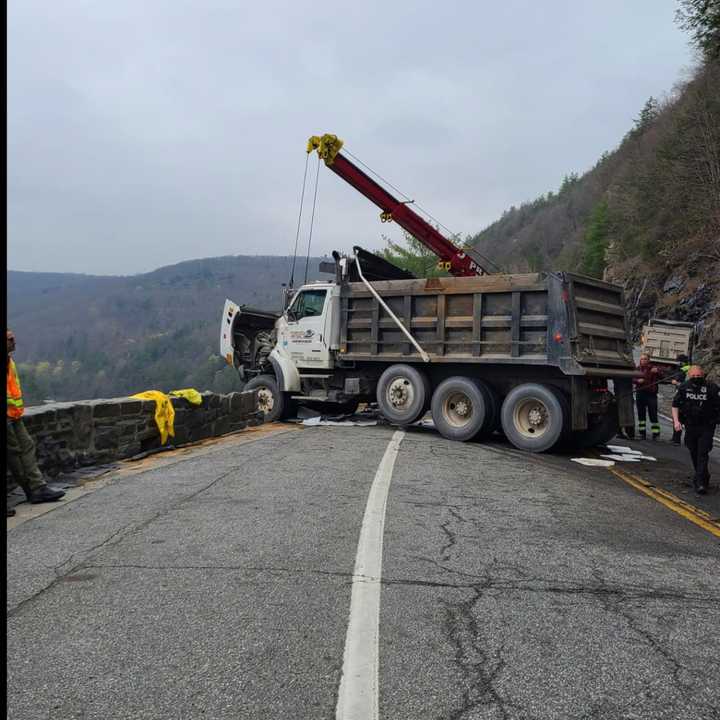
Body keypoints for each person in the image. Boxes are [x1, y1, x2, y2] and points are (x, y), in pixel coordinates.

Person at [7, 329, 65, 512]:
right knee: (14, 453)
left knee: (27, 446)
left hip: (14, 414)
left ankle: (38, 488)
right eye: (9, 339)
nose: (13, 341)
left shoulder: (10, 362)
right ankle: (32, 489)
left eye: (13, 337)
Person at [672, 365, 720, 495]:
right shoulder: (684, 387)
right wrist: (676, 421)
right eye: (693, 376)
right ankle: (704, 474)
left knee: (703, 452)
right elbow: (675, 405)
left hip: (707, 425)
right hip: (690, 425)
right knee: (693, 450)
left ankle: (700, 482)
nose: (696, 378)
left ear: (703, 375)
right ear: (689, 376)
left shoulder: (712, 388)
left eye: (698, 376)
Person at [633, 353, 663, 440]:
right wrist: (637, 381)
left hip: (651, 395)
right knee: (641, 414)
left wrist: (658, 372)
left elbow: (662, 377)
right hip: (640, 393)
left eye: (645, 359)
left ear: (649, 360)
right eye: (642, 359)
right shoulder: (637, 369)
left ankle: (656, 434)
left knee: (653, 414)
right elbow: (632, 378)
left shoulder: (654, 369)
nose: (643, 361)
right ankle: (642, 433)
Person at [670, 354, 691, 445]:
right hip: (687, 397)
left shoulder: (683, 370)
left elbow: (684, 384)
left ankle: (676, 439)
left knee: (678, 418)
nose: (677, 363)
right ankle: (685, 440)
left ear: (682, 362)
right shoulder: (689, 369)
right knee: (684, 419)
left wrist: (676, 382)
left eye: (678, 361)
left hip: (682, 397)